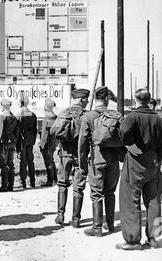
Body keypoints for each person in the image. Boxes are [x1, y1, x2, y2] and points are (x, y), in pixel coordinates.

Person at [116, 89, 162, 250]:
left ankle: (132, 240)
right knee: (154, 200)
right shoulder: (158, 118)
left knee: (130, 199)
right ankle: (154, 238)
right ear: (149, 100)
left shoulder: (133, 116)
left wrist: (129, 144)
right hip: (153, 161)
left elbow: (123, 131)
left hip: (136, 161)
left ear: (136, 100)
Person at [79, 86, 123, 237]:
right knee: (110, 192)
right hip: (114, 160)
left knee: (96, 193)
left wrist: (82, 163)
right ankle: (110, 225)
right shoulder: (116, 115)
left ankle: (97, 227)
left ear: (95, 99)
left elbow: (82, 142)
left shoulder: (89, 116)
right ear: (106, 99)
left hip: (96, 159)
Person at [51, 88, 90, 227]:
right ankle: (76, 219)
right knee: (78, 186)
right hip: (81, 154)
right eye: (86, 99)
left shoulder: (64, 113)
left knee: (62, 183)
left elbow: (54, 130)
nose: (87, 102)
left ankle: (60, 216)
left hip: (65, 153)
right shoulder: (87, 115)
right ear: (82, 99)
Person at [0, 99, 19, 192]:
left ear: (3, 106)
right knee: (10, 163)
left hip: (3, 142)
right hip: (11, 142)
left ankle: (4, 186)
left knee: (3, 163)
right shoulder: (14, 117)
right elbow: (17, 132)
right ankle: (11, 185)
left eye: (0, 105)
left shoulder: (2, 117)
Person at [16, 94, 37, 189]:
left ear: (20, 103)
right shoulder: (33, 114)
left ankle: (23, 182)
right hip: (30, 139)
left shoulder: (19, 115)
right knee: (31, 161)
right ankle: (32, 182)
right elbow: (35, 130)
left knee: (22, 161)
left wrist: (16, 143)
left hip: (22, 140)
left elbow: (17, 131)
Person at [40, 98, 58, 187]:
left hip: (47, 143)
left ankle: (50, 180)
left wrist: (42, 144)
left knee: (48, 162)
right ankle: (54, 178)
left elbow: (45, 133)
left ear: (47, 106)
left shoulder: (47, 118)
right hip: (53, 142)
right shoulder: (56, 117)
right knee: (51, 160)